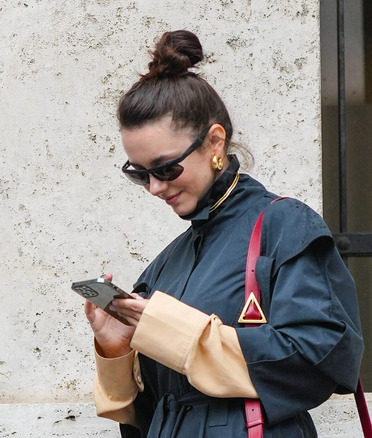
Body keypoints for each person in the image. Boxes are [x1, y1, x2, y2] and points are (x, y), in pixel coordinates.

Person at [85, 30, 363, 437]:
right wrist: (119, 346)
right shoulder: (165, 265)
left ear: (214, 142)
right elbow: (154, 412)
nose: (156, 187)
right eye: (139, 174)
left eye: (165, 168)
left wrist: (178, 332)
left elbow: (321, 356)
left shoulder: (282, 226)